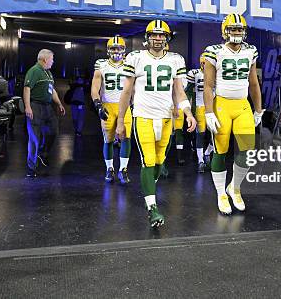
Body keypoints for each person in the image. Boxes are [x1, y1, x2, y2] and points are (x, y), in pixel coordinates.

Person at [116, 20, 196, 228]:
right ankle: (152, 207)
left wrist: (188, 113)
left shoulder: (176, 59)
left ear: (167, 37)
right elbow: (126, 92)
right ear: (147, 36)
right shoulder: (135, 57)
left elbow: (179, 91)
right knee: (148, 161)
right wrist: (120, 121)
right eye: (154, 34)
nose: (158, 38)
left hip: (167, 118)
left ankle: (149, 189)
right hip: (143, 117)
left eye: (161, 35)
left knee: (160, 162)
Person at [203, 13, 264, 215]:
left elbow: (254, 83)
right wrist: (209, 112)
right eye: (233, 29)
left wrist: (258, 109)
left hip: (242, 105)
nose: (236, 33)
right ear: (224, 31)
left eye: (239, 29)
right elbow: (209, 86)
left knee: (247, 151)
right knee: (220, 149)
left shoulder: (250, 51)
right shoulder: (215, 52)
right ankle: (221, 192)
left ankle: (235, 188)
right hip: (222, 105)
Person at [91, 36, 132, 184]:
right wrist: (97, 104)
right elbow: (95, 86)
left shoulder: (129, 63)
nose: (116, 51)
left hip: (125, 105)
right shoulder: (101, 64)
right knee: (108, 140)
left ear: (124, 49)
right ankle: (109, 168)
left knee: (126, 137)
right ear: (108, 50)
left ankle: (123, 169)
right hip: (108, 105)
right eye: (114, 48)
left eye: (119, 48)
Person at [23, 49, 66, 177]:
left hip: (48, 107)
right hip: (35, 106)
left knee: (53, 131)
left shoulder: (48, 73)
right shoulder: (34, 71)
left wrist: (59, 103)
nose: (53, 62)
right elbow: (27, 89)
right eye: (52, 59)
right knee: (34, 138)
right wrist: (28, 107)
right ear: (45, 59)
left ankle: (43, 152)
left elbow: (52, 90)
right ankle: (31, 168)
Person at [186, 53, 208, 173]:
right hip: (200, 107)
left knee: (218, 133)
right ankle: (201, 160)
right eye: (204, 63)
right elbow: (188, 90)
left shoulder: (216, 74)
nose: (206, 66)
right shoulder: (195, 74)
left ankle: (207, 152)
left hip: (214, 107)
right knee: (201, 134)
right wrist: (188, 108)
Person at [65, 69, 88, 136]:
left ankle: (78, 131)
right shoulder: (75, 85)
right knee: (76, 119)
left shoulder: (81, 86)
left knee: (79, 119)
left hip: (79, 104)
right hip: (76, 104)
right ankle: (77, 130)